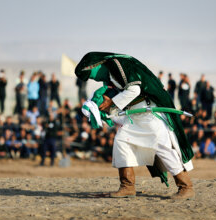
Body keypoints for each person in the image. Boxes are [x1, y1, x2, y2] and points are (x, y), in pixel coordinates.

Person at [75, 52, 195, 200]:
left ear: (95, 65)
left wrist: (112, 103)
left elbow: (134, 90)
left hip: (150, 113)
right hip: (135, 116)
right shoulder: (111, 76)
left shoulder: (118, 65)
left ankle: (186, 187)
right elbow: (121, 95)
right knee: (121, 141)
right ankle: (127, 186)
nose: (95, 78)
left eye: (92, 75)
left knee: (162, 146)